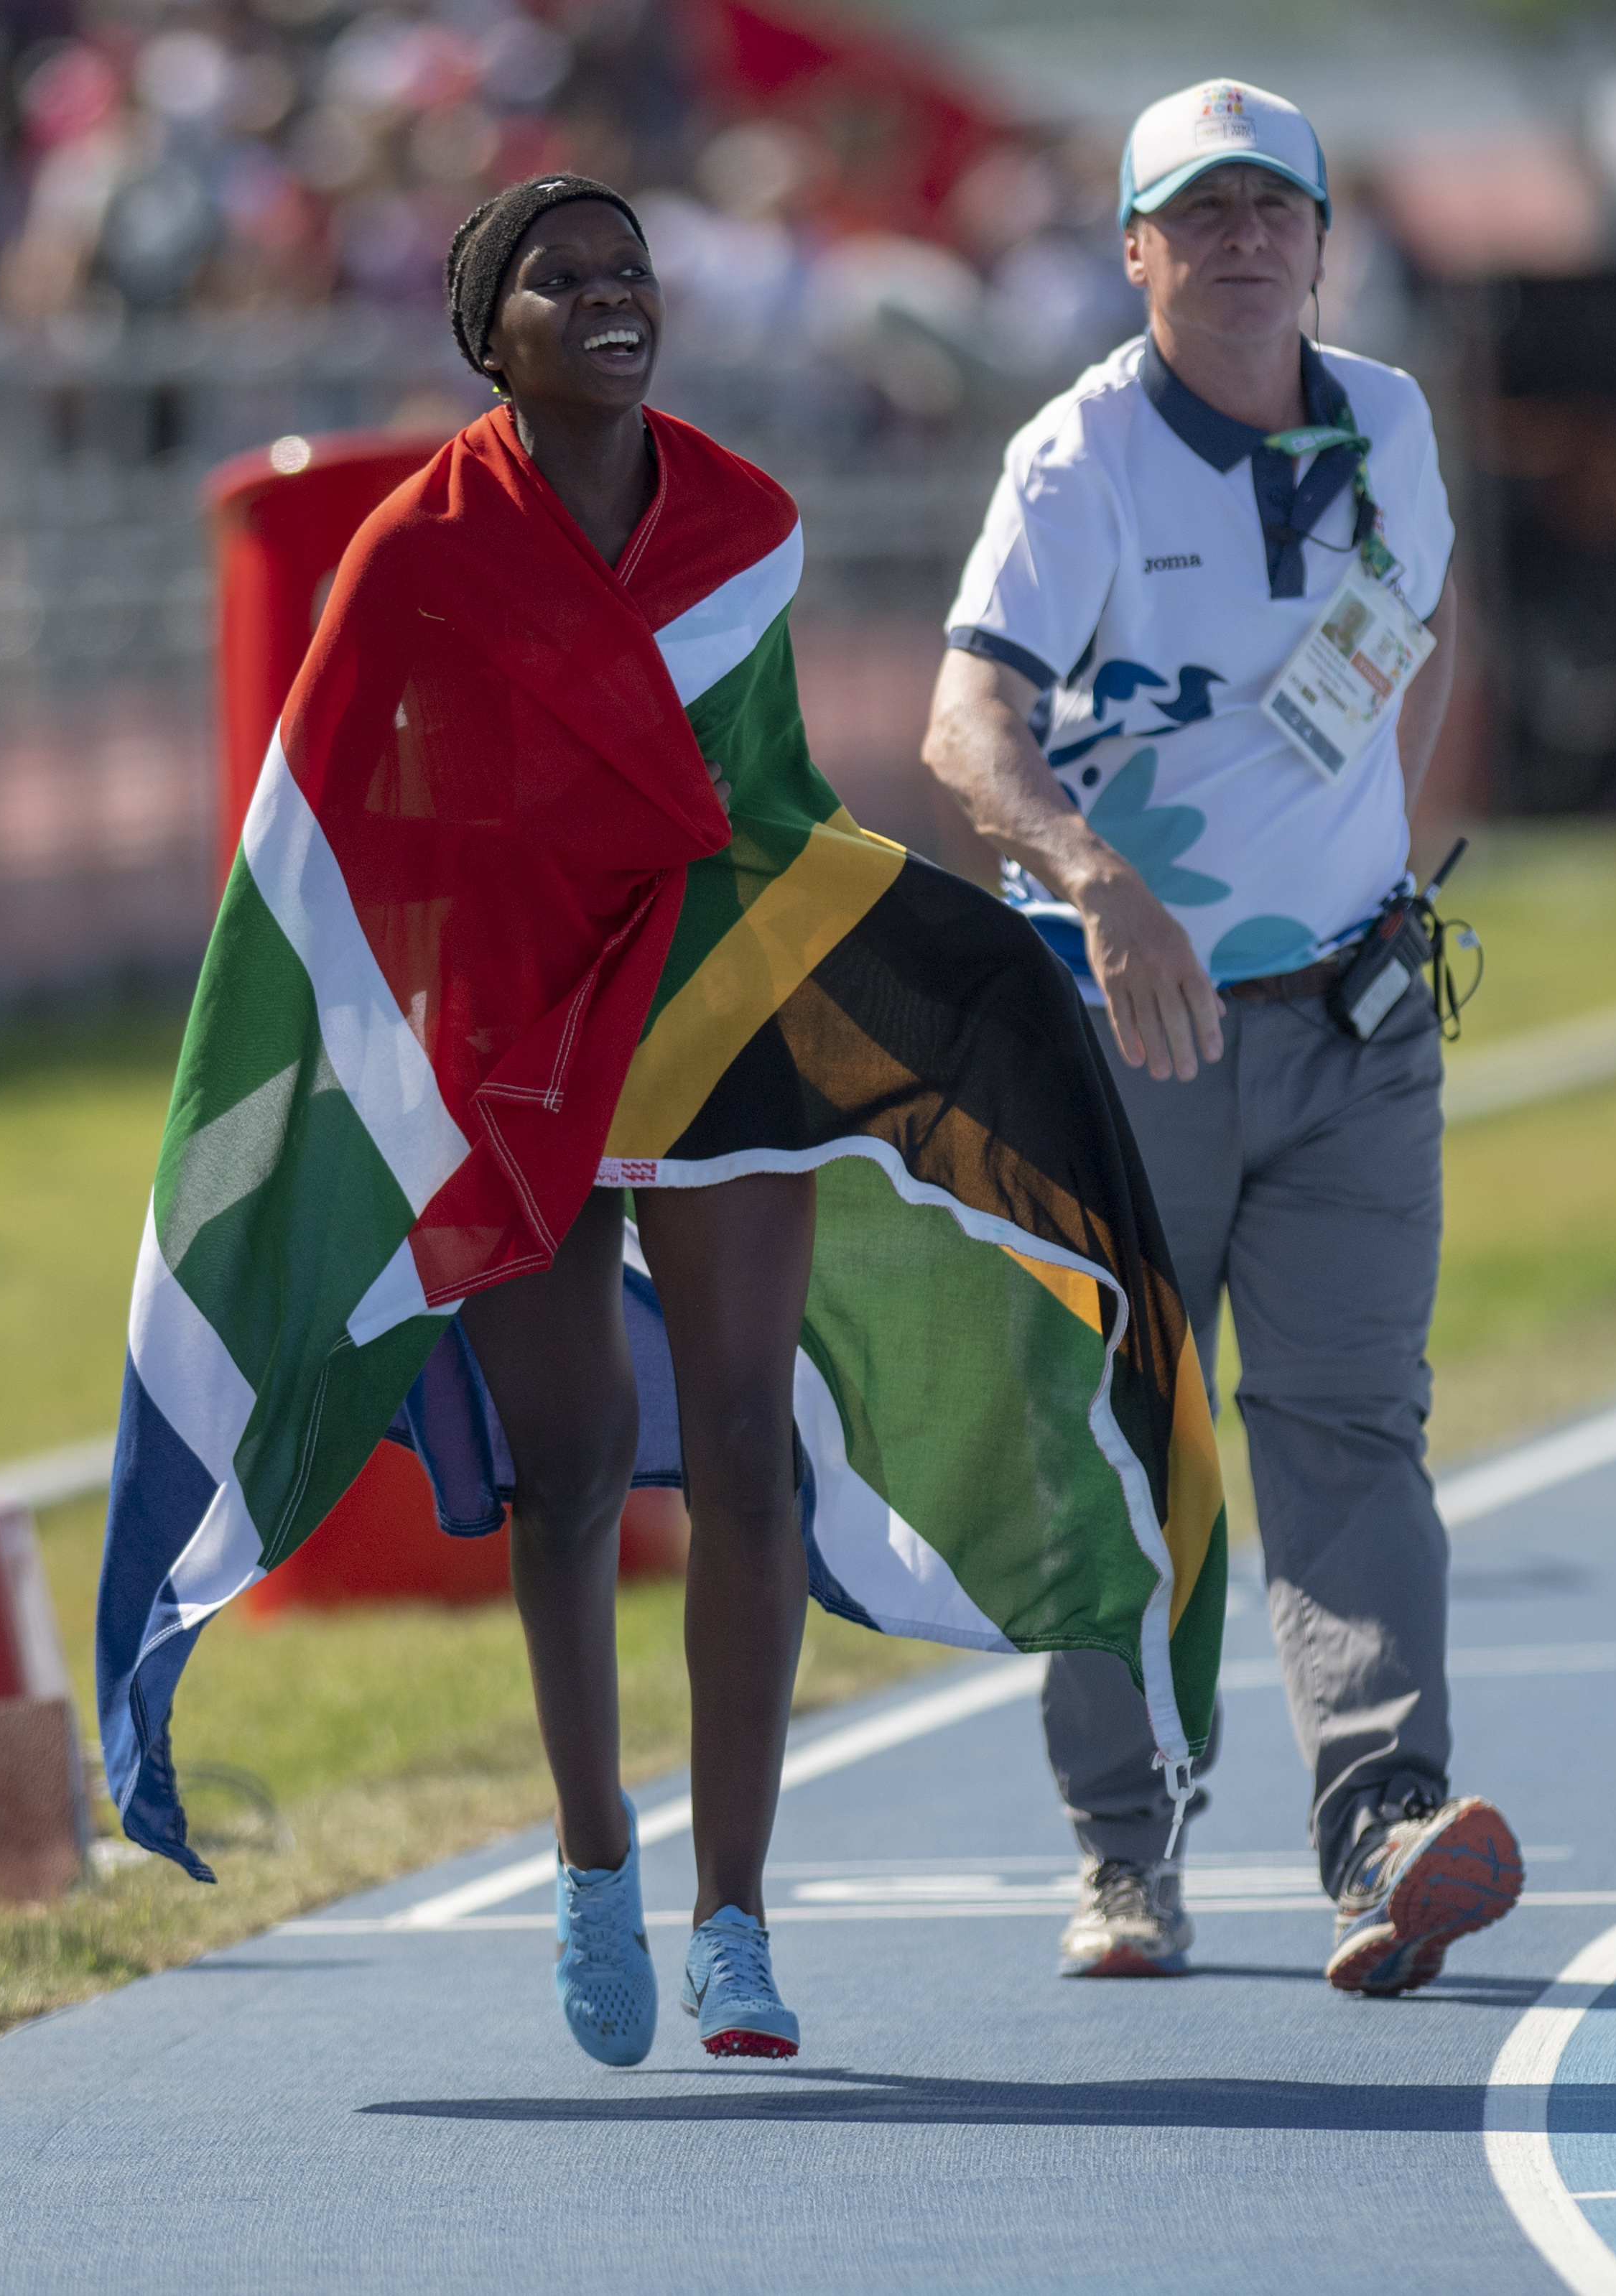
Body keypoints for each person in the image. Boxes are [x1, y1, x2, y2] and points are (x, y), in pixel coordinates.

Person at [96, 175, 1222, 2073]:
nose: (615, 298)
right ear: (494, 332)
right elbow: (347, 835)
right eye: (568, 277)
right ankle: (596, 1856)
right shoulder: (410, 552)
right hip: (519, 1036)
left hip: (715, 1016)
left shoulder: (745, 523)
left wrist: (934, 938)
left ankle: (736, 1923)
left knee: (742, 1453)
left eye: (635, 271)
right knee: (570, 1458)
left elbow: (761, 800)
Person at [923, 82, 1523, 1994]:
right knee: (1116, 1444)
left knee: (1354, 1425)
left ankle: (1387, 1832)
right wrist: (1103, 887)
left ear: (1325, 240)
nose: (1247, 236)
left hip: (1352, 1021)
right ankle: (1124, 1848)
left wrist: (1379, 877)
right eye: (1204, 210)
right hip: (1124, 1040)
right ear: (1136, 251)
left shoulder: (1394, 423)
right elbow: (963, 733)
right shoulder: (1080, 457)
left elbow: (1425, 640)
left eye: (1279, 205)